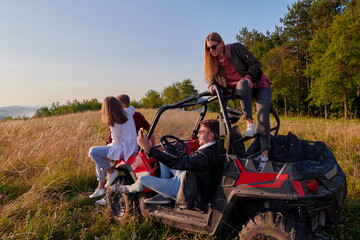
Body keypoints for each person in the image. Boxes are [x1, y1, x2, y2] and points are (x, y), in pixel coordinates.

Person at [110, 119, 219, 210]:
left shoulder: (204, 156)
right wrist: (174, 153)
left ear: (211, 136)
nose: (198, 134)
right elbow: (187, 161)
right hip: (189, 178)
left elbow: (178, 162)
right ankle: (163, 194)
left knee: (144, 180)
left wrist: (148, 149)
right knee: (164, 155)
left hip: (186, 188)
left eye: (202, 132)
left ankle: (127, 189)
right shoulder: (213, 149)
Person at [204, 32, 271, 169]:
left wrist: (248, 77)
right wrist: (211, 85)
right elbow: (212, 79)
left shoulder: (235, 49)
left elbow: (255, 64)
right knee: (223, 117)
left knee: (263, 116)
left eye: (213, 47)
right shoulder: (213, 62)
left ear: (221, 43)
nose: (211, 51)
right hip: (240, 92)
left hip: (257, 84)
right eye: (208, 49)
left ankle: (264, 153)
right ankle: (224, 155)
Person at [96, 94, 155, 206]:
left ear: (120, 104)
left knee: (110, 170)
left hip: (124, 151)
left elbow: (111, 139)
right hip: (138, 151)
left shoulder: (117, 117)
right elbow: (150, 130)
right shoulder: (137, 115)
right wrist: (151, 150)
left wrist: (107, 149)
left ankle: (108, 196)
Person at [88, 96, 138, 199]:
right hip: (132, 147)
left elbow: (117, 142)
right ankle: (100, 188)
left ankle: (111, 171)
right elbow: (132, 107)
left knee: (93, 152)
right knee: (100, 157)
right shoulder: (128, 112)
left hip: (124, 149)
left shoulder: (115, 122)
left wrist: (109, 154)